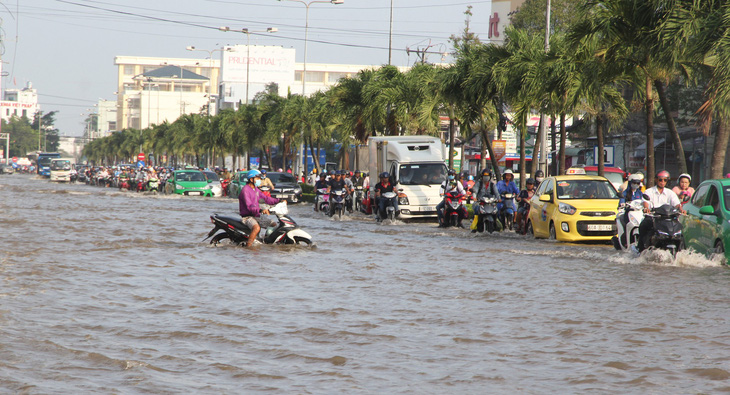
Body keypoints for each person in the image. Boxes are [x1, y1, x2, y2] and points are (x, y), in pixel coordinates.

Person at [637, 170, 683, 252]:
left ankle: (682, 250)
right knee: (644, 225)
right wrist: (646, 208)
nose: (662, 182)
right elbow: (646, 202)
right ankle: (642, 250)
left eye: (665, 180)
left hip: (668, 219)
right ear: (656, 180)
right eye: (660, 180)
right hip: (654, 217)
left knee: (681, 230)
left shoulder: (670, 193)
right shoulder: (649, 191)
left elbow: (676, 204)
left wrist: (681, 209)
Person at [239, 169, 280, 247]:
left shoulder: (256, 190)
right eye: (257, 178)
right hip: (247, 217)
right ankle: (249, 246)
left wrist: (279, 200)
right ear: (251, 179)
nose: (259, 180)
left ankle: (265, 241)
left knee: (274, 224)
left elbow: (266, 198)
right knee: (256, 228)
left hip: (256, 215)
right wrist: (261, 210)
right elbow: (249, 206)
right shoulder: (245, 190)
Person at [471, 169, 501, 233]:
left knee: (497, 211)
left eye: (487, 176)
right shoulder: (479, 183)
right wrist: (474, 197)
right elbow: (475, 191)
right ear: (482, 176)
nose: (486, 177)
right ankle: (475, 226)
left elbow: (496, 193)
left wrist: (499, 199)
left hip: (490, 203)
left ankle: (497, 224)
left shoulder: (492, 185)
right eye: (484, 176)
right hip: (480, 203)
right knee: (476, 210)